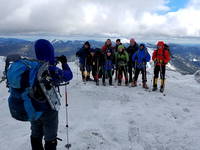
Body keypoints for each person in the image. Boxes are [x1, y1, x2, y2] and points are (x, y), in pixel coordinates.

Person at [31, 39, 73, 150]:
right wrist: (64, 63)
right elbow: (68, 75)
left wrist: (53, 61)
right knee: (50, 137)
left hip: (33, 108)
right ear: (50, 51)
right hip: (49, 108)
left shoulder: (31, 66)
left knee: (35, 134)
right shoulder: (51, 69)